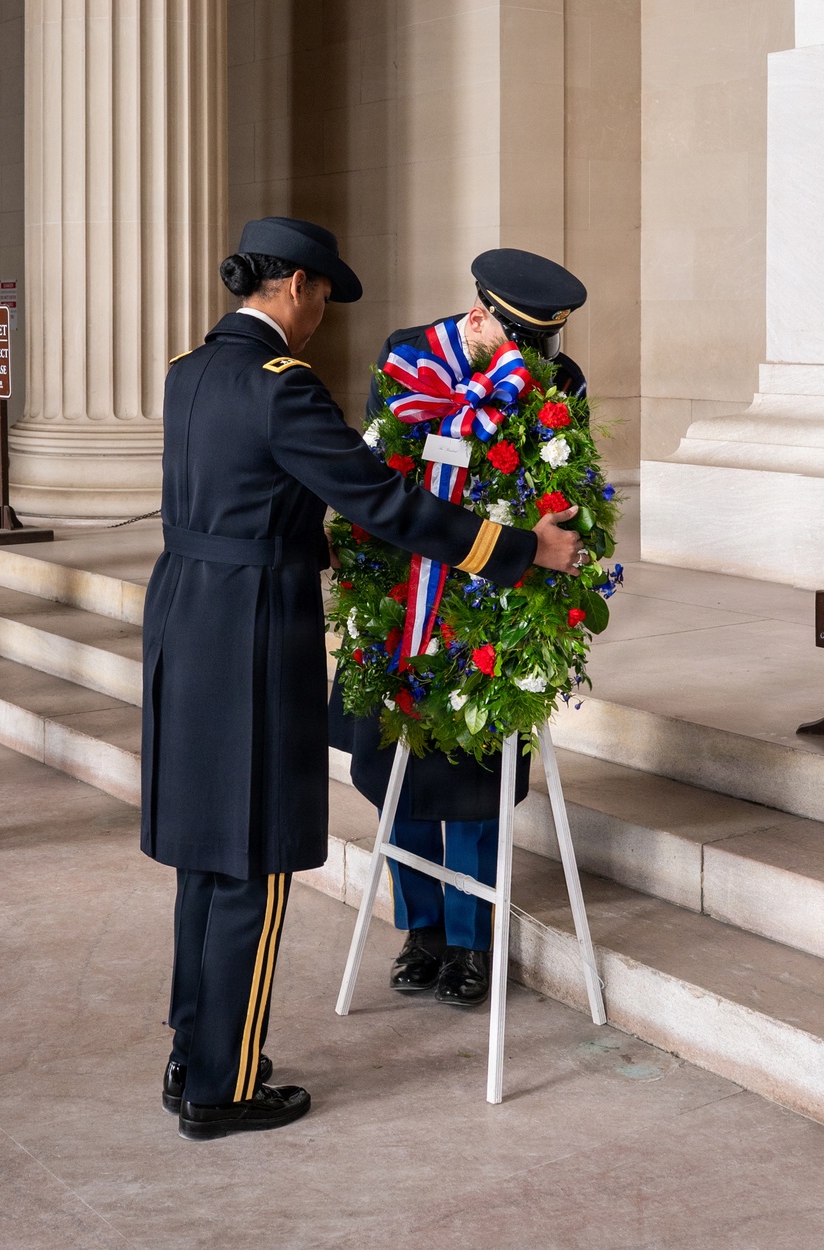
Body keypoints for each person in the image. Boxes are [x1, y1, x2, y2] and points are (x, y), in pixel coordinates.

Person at [140, 219, 586, 1141]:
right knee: (254, 864)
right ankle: (223, 1090)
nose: (320, 324)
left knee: (202, 859)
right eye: (321, 301)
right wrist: (519, 549)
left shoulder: (191, 368)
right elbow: (378, 498)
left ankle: (195, 1052)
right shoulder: (282, 389)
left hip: (184, 619)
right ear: (295, 287)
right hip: (253, 629)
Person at [332, 248, 589, 1008]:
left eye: (536, 349)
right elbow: (382, 468)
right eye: (514, 342)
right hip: (405, 598)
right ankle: (422, 928)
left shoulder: (559, 383)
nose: (530, 362)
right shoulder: (410, 355)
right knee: (398, 780)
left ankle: (474, 941)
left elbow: (565, 481)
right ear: (480, 315)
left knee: (476, 783)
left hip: (494, 604)